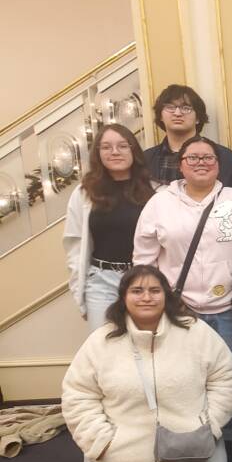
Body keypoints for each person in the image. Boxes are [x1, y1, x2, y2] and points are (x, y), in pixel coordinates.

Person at [61, 266, 232, 462]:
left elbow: (226, 378)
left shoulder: (197, 333)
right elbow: (78, 394)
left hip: (189, 446)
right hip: (122, 452)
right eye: (137, 290)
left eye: (155, 290)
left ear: (166, 295)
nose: (146, 297)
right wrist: (101, 441)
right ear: (123, 297)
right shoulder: (100, 342)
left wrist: (209, 426)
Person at [134, 136, 232, 384]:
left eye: (208, 157)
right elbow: (144, 262)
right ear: (181, 164)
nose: (201, 163)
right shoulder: (160, 203)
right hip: (180, 310)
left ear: (218, 164)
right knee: (185, 380)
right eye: (193, 157)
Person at [64, 124, 158, 331]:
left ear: (133, 150)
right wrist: (78, 289)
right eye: (106, 147)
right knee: (103, 348)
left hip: (145, 281)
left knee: (145, 345)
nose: (114, 152)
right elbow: (74, 244)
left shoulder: (156, 192)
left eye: (122, 146)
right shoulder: (84, 193)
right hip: (101, 282)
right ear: (98, 154)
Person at [143, 84, 232, 189]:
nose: (177, 113)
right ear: (161, 116)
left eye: (186, 108)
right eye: (170, 107)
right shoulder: (145, 160)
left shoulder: (224, 158)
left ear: (198, 118)